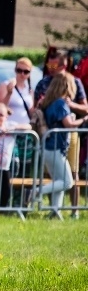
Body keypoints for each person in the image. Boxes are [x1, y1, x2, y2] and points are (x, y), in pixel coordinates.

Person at [34, 50, 88, 218]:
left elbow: (84, 106)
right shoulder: (57, 100)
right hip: (56, 144)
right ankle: (35, 192)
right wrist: (83, 120)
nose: (51, 68)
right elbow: (69, 124)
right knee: (66, 181)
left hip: (54, 143)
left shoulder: (52, 99)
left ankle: (56, 211)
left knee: (63, 177)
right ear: (66, 86)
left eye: (55, 65)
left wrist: (73, 107)